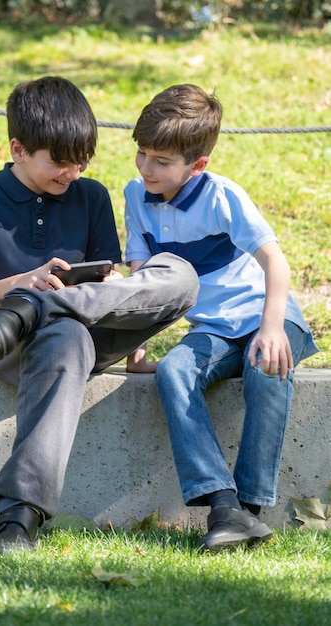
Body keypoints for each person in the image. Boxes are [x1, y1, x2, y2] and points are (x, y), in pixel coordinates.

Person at [0, 76, 199, 554]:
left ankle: (44, 307)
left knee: (181, 275)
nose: (73, 172)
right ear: (18, 149)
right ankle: (19, 516)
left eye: (82, 160)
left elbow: (107, 287)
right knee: (65, 337)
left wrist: (107, 291)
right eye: (60, 162)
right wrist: (23, 283)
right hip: (4, 339)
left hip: (88, 326)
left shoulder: (92, 196)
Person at [123, 83, 318, 551]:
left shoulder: (222, 195)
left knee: (265, 372)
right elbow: (143, 279)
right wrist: (138, 345)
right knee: (174, 371)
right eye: (142, 153)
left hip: (266, 316)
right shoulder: (135, 195)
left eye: (162, 161)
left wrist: (272, 328)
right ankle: (222, 503)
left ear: (198, 165)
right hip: (214, 329)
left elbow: (276, 262)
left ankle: (249, 509)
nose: (147, 168)